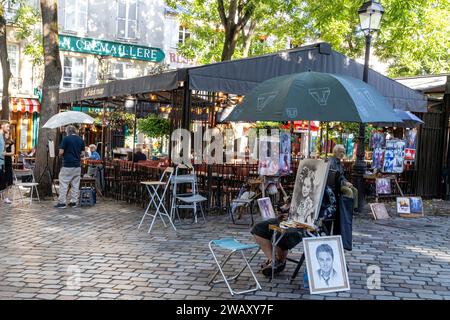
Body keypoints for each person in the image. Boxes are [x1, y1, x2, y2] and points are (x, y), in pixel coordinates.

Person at [55, 125, 85, 209]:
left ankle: (62, 203)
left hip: (67, 164)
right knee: (75, 184)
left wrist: (61, 154)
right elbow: (82, 154)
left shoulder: (66, 139)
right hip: (77, 165)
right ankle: (73, 202)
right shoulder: (80, 139)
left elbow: (61, 152)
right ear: (75, 131)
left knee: (64, 183)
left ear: (67, 131)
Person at [329, 144, 358, 211]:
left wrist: (347, 182)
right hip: (335, 185)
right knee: (349, 191)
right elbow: (334, 177)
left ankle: (353, 210)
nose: (342, 154)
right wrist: (345, 183)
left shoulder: (339, 162)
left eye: (343, 152)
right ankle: (347, 210)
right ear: (335, 152)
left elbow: (342, 176)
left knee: (355, 190)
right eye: (340, 152)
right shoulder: (331, 162)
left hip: (341, 183)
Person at [2, 132, 15, 204]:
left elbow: (13, 152)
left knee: (7, 181)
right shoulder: (1, 142)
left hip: (8, 163)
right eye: (5, 134)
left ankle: (6, 198)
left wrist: (5, 153)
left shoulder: (11, 142)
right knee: (2, 180)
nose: (7, 135)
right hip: (1, 162)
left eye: (8, 134)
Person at [0, 120, 10, 197]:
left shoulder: (2, 137)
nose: (8, 128)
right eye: (7, 126)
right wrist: (6, 153)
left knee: (3, 184)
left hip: (2, 163)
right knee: (2, 184)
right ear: (2, 126)